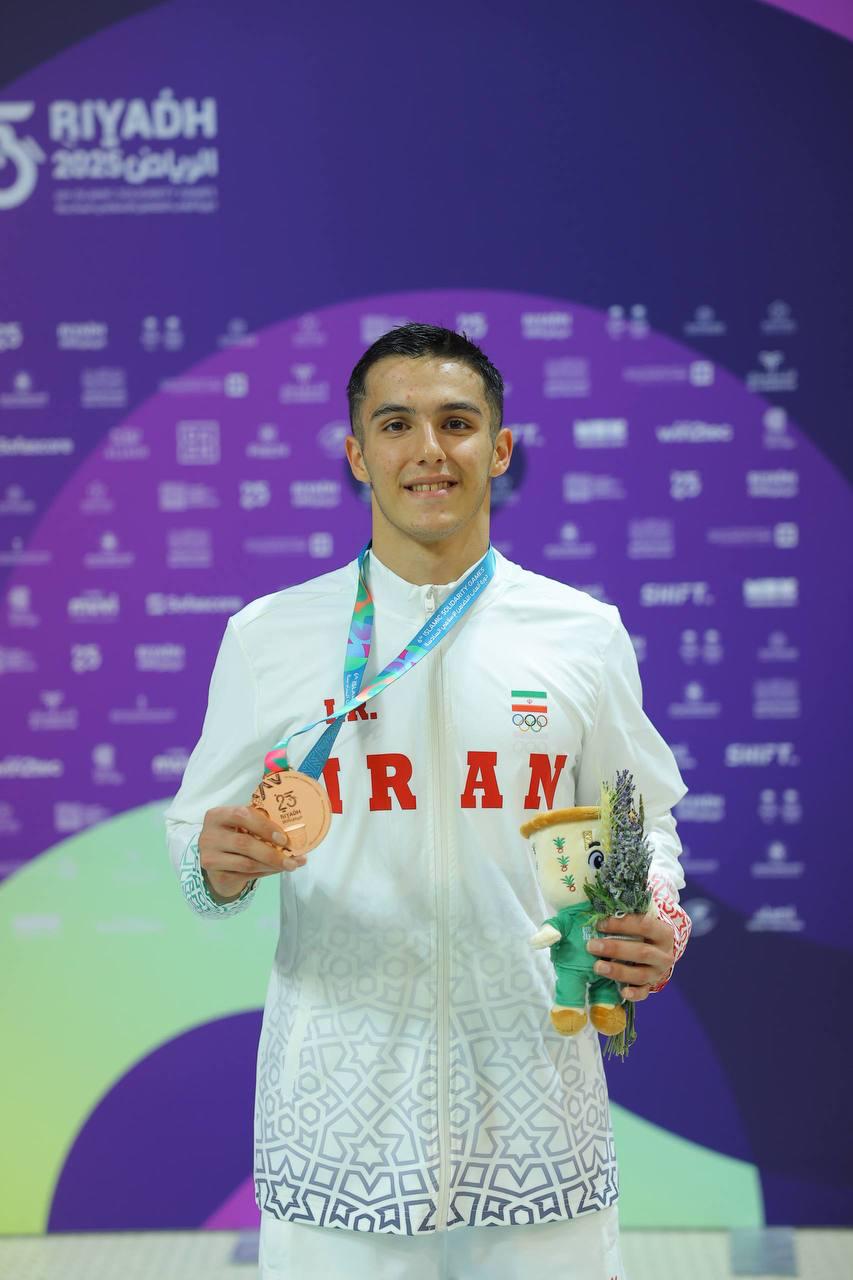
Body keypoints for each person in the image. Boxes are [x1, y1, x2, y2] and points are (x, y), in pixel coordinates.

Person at [165, 323, 691, 1279]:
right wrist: (215, 862)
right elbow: (192, 832)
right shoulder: (270, 636)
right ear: (356, 453)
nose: (428, 450)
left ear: (499, 447)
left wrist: (655, 913)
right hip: (339, 1115)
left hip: (533, 1106)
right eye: (395, 424)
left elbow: (639, 817)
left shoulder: (579, 633)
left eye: (456, 422)